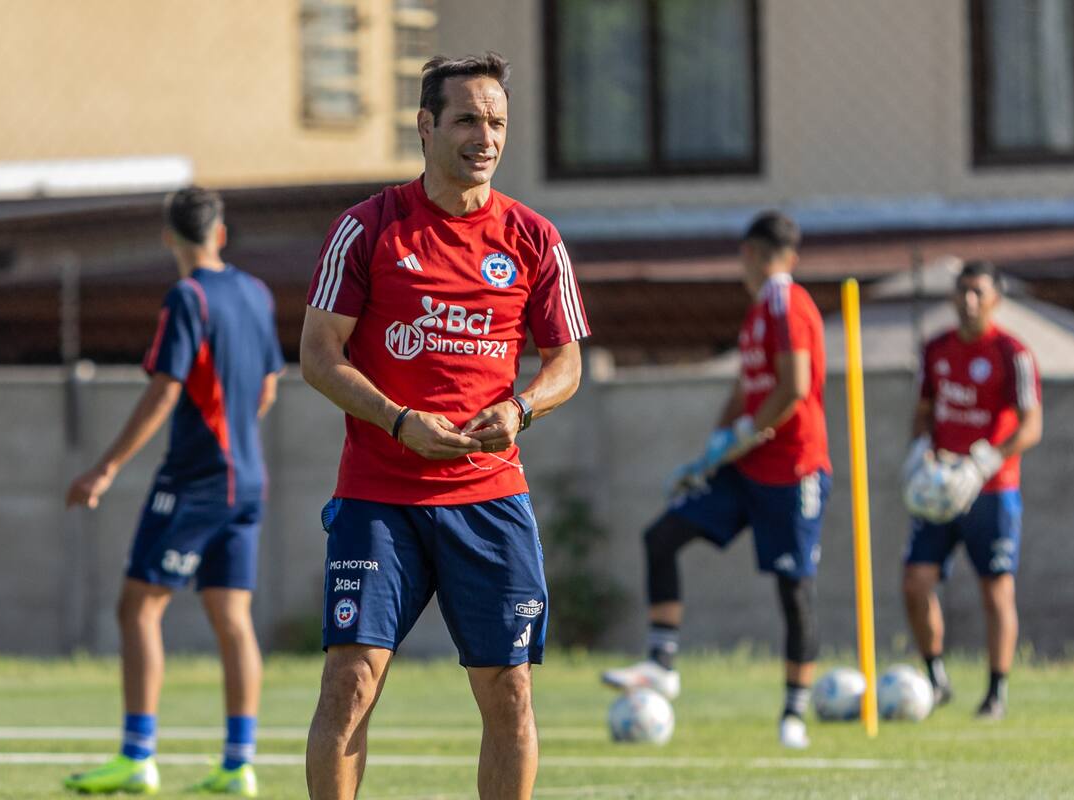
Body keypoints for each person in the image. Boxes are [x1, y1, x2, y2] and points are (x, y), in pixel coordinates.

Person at [299, 52, 588, 800]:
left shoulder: (535, 238)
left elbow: (566, 364)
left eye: (496, 122)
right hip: (379, 499)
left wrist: (520, 408)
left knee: (510, 691)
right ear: (425, 126)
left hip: (489, 499)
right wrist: (398, 421)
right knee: (350, 681)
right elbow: (318, 356)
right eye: (466, 120)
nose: (484, 138)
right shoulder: (367, 229)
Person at [63, 187, 284, 795]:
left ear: (168, 238)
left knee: (138, 606)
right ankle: (238, 766)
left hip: (196, 480)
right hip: (248, 480)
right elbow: (268, 386)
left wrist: (104, 468)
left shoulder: (188, 297)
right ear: (221, 234)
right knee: (232, 618)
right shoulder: (256, 292)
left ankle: (138, 757)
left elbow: (165, 389)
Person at [602, 212, 830, 750]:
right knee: (662, 537)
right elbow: (748, 386)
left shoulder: (785, 301)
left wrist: (748, 431)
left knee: (795, 590)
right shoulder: (758, 313)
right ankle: (662, 664)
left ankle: (793, 714)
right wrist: (713, 450)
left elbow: (794, 385)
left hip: (793, 469)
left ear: (748, 253)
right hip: (745, 468)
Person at [902, 260, 1042, 720]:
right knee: (915, 582)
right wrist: (921, 450)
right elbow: (925, 409)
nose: (969, 300)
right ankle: (936, 679)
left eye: (978, 291)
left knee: (996, 590)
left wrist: (987, 460)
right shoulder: (936, 348)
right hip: (941, 487)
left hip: (991, 490)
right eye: (962, 290)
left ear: (995, 299)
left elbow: (1031, 425)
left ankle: (996, 692)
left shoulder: (1012, 353)